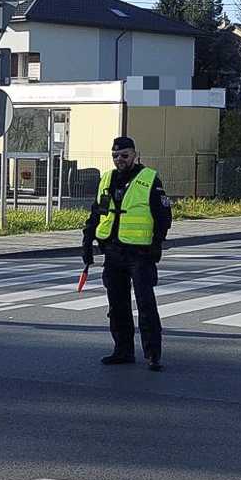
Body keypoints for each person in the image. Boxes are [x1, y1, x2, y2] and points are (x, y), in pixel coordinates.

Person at [82, 136, 172, 371]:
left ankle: (153, 355)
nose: (119, 160)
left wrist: (155, 246)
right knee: (117, 306)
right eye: (115, 156)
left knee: (146, 306)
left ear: (134, 154)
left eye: (124, 155)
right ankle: (122, 351)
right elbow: (97, 213)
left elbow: (163, 217)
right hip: (113, 251)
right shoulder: (107, 178)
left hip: (139, 254)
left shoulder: (149, 179)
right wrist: (87, 242)